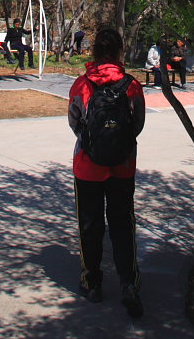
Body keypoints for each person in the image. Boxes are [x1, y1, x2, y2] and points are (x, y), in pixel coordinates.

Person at [68, 27, 145, 318]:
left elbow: (74, 121)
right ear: (120, 51)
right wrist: (119, 146)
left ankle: (93, 283)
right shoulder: (132, 85)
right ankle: (128, 283)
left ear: (95, 52)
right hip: (122, 166)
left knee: (90, 224)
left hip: (88, 166)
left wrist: (91, 143)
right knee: (123, 223)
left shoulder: (81, 84)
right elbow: (137, 123)